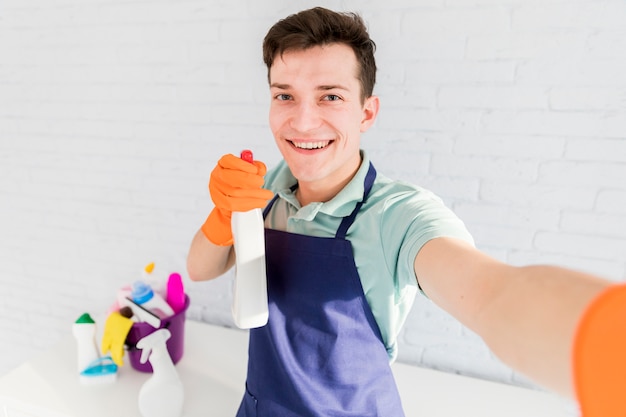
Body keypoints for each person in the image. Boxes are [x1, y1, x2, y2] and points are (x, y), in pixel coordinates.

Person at [187, 7, 621, 417]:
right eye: (285, 95)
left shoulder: (398, 216)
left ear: (367, 112)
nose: (302, 122)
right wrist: (223, 213)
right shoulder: (264, 187)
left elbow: (494, 295)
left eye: (330, 96)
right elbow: (201, 270)